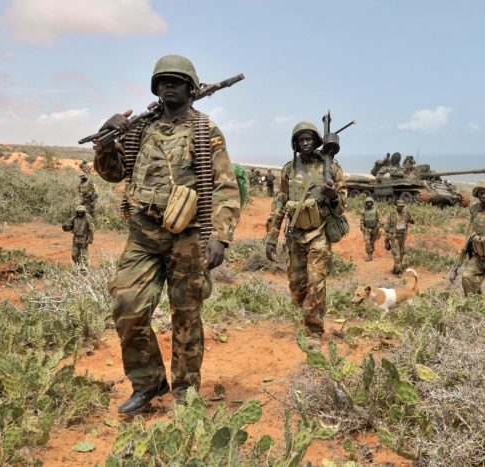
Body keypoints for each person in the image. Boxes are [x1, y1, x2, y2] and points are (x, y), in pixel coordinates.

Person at [93, 54, 240, 414]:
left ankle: (186, 394)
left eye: (177, 80)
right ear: (155, 88)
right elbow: (113, 173)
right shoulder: (140, 129)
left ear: (192, 88)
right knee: (127, 307)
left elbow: (224, 186)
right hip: (143, 234)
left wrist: (219, 236)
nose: (169, 85)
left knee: (186, 318)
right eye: (163, 81)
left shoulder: (206, 130)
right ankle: (148, 383)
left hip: (188, 238)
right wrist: (105, 139)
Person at [265, 121, 347, 346]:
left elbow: (341, 207)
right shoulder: (288, 170)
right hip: (295, 235)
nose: (305, 143)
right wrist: (271, 238)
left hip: (319, 234)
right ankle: (308, 311)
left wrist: (332, 197)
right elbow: (279, 204)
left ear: (317, 141)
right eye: (301, 140)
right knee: (297, 287)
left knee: (316, 282)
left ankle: (314, 331)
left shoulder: (332, 169)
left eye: (309, 138)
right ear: (295, 144)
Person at [384, 199, 415, 276]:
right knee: (396, 253)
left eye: (402, 206)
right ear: (396, 206)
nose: (400, 208)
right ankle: (399, 271)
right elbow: (387, 225)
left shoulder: (406, 212)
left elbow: (412, 221)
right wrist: (386, 239)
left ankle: (396, 268)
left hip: (402, 236)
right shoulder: (392, 213)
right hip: (394, 236)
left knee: (401, 253)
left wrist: (411, 220)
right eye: (399, 206)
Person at [360, 197, 380, 261]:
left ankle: (371, 253)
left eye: (370, 202)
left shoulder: (376, 211)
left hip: (374, 228)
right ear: (366, 203)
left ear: (372, 203)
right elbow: (361, 221)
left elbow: (380, 220)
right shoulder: (363, 211)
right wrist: (363, 228)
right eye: (367, 202)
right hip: (367, 229)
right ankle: (369, 255)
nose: (369, 204)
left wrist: (378, 227)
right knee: (367, 242)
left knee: (372, 242)